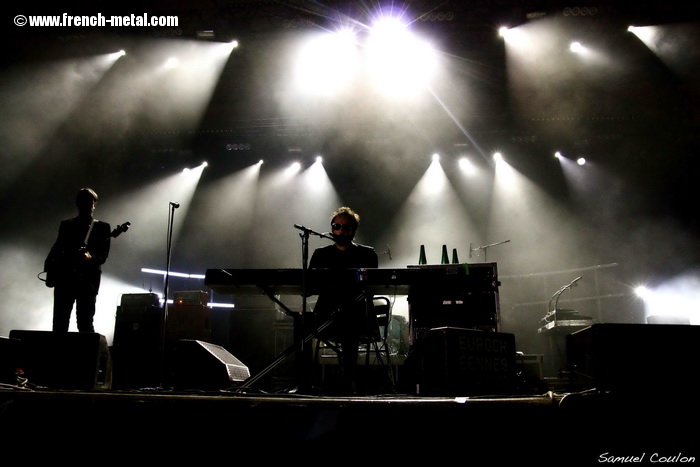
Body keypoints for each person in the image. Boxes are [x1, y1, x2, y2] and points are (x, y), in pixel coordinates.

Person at [308, 206, 378, 393]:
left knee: (350, 325)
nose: (340, 230)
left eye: (345, 227)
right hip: (326, 314)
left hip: (356, 316)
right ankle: (306, 382)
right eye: (336, 226)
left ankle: (348, 381)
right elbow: (311, 287)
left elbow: (371, 287)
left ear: (354, 230)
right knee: (301, 324)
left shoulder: (367, 254)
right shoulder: (321, 254)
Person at [44, 188, 111, 333]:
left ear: (94, 205)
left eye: (89, 202)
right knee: (60, 322)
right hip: (65, 278)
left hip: (87, 281)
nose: (86, 205)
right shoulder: (67, 225)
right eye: (83, 202)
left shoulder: (102, 227)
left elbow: (102, 256)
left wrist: (89, 257)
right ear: (78, 204)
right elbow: (57, 248)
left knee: (85, 322)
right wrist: (49, 270)